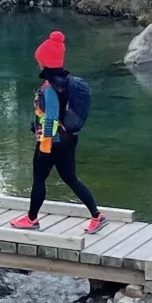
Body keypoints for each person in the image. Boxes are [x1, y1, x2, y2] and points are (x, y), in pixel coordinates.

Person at [11, 30, 105, 232]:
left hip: (52, 143)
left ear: (45, 63)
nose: (38, 63)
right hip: (69, 139)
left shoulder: (50, 88)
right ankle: (97, 215)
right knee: (70, 178)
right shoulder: (67, 83)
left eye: (40, 60)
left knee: (38, 179)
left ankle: (31, 219)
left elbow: (52, 117)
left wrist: (45, 144)